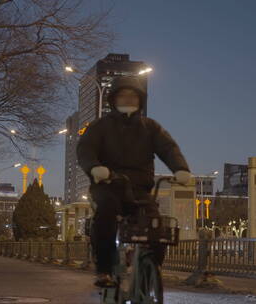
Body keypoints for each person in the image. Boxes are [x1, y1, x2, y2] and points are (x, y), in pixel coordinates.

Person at [76, 76, 191, 287]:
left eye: (133, 96)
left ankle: (150, 271)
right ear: (113, 99)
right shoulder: (100, 126)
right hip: (108, 186)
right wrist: (94, 167)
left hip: (140, 189)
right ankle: (104, 270)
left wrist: (181, 169)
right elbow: (85, 149)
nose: (128, 99)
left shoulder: (150, 127)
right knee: (106, 212)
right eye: (123, 95)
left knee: (156, 225)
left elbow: (168, 148)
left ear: (140, 100)